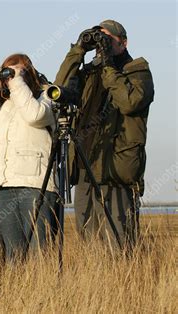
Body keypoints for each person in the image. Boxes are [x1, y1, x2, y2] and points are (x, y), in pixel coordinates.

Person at [54, 20, 154, 250]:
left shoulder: (137, 71)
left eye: (107, 39)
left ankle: (123, 283)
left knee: (117, 241)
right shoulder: (90, 73)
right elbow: (58, 89)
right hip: (84, 165)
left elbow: (129, 102)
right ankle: (98, 285)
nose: (102, 44)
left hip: (115, 168)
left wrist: (108, 65)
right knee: (88, 239)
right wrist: (78, 49)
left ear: (123, 42)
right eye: (98, 38)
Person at [0, 53, 58, 260]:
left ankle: (45, 291)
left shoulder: (46, 96)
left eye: (15, 70)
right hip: (6, 184)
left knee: (40, 251)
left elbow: (34, 115)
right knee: (14, 253)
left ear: (28, 72)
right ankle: (18, 290)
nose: (9, 77)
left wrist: (16, 80)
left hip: (35, 183)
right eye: (7, 72)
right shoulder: (7, 104)